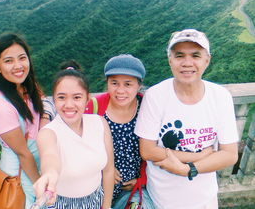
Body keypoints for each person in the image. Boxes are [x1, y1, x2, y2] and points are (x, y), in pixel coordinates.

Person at [135, 29, 239, 209]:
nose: (187, 63)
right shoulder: (156, 96)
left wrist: (188, 169)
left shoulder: (220, 97)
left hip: (204, 199)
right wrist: (197, 156)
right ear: (170, 60)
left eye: (196, 55)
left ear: (207, 60)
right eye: (179, 55)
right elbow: (148, 151)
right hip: (162, 200)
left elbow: (230, 154)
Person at [33, 61, 115, 209]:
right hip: (61, 203)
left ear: (87, 99)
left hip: (96, 199)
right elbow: (50, 158)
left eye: (77, 97)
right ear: (54, 100)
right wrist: (49, 176)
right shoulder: (48, 133)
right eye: (62, 97)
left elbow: (108, 170)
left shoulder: (100, 123)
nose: (69, 105)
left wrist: (107, 205)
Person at [85, 54, 154, 209]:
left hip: (132, 189)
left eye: (128, 84)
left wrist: (143, 179)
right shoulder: (94, 107)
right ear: (107, 83)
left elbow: (157, 147)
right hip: (98, 187)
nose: (120, 90)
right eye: (114, 83)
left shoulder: (147, 107)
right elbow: (79, 144)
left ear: (138, 85)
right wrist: (103, 166)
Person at [0, 33, 44, 208]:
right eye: (8, 61)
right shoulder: (0, 106)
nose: (18, 66)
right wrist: (40, 186)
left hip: (38, 165)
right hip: (20, 176)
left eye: (22, 58)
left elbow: (41, 111)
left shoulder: (27, 86)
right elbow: (23, 153)